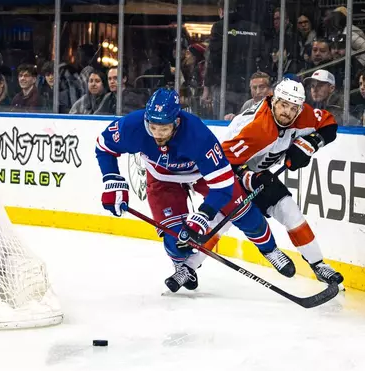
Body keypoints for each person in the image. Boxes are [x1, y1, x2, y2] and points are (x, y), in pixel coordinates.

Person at [95, 88, 295, 292]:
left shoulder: (198, 135)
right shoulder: (133, 125)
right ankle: (182, 266)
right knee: (176, 240)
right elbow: (104, 147)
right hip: (161, 179)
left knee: (245, 214)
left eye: (164, 129)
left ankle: (270, 250)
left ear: (177, 122)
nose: (157, 134)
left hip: (201, 175)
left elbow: (223, 185)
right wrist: (112, 179)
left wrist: (203, 215)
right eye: (153, 127)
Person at [219, 78, 343, 285]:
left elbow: (329, 124)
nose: (287, 112)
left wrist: (310, 143)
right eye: (283, 105)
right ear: (273, 101)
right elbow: (221, 164)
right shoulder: (253, 128)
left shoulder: (303, 115)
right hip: (231, 178)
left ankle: (319, 265)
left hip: (262, 175)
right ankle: (187, 266)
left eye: (293, 108)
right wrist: (248, 176)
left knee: (291, 212)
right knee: (220, 223)